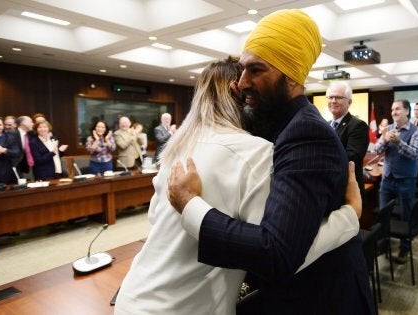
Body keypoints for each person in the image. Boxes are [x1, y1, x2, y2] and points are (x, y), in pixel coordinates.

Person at [115, 57, 362, 315]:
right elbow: (282, 255)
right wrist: (349, 216)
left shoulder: (178, 149)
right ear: (238, 92)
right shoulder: (254, 154)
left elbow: (156, 218)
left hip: (134, 295)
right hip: (185, 307)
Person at [167, 9, 374, 314]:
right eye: (241, 71)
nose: (242, 82)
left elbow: (276, 253)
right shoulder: (279, 119)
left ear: (290, 76)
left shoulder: (306, 133)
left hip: (321, 297)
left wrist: (190, 204)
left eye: (256, 71)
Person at [375, 99, 418, 264]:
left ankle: (404, 248)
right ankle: (383, 243)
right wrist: (385, 140)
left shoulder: (416, 132)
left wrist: (398, 141)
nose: (394, 112)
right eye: (392, 109)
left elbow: (414, 154)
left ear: (407, 112)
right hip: (387, 179)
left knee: (405, 215)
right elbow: (377, 149)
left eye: (397, 109)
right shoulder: (387, 129)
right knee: (383, 214)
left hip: (406, 180)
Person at [326, 81, 369, 193]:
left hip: (348, 190)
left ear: (349, 102)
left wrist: (322, 156)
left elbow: (352, 157)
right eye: (330, 97)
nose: (333, 101)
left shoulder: (358, 125)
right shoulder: (325, 124)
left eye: (338, 97)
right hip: (328, 187)